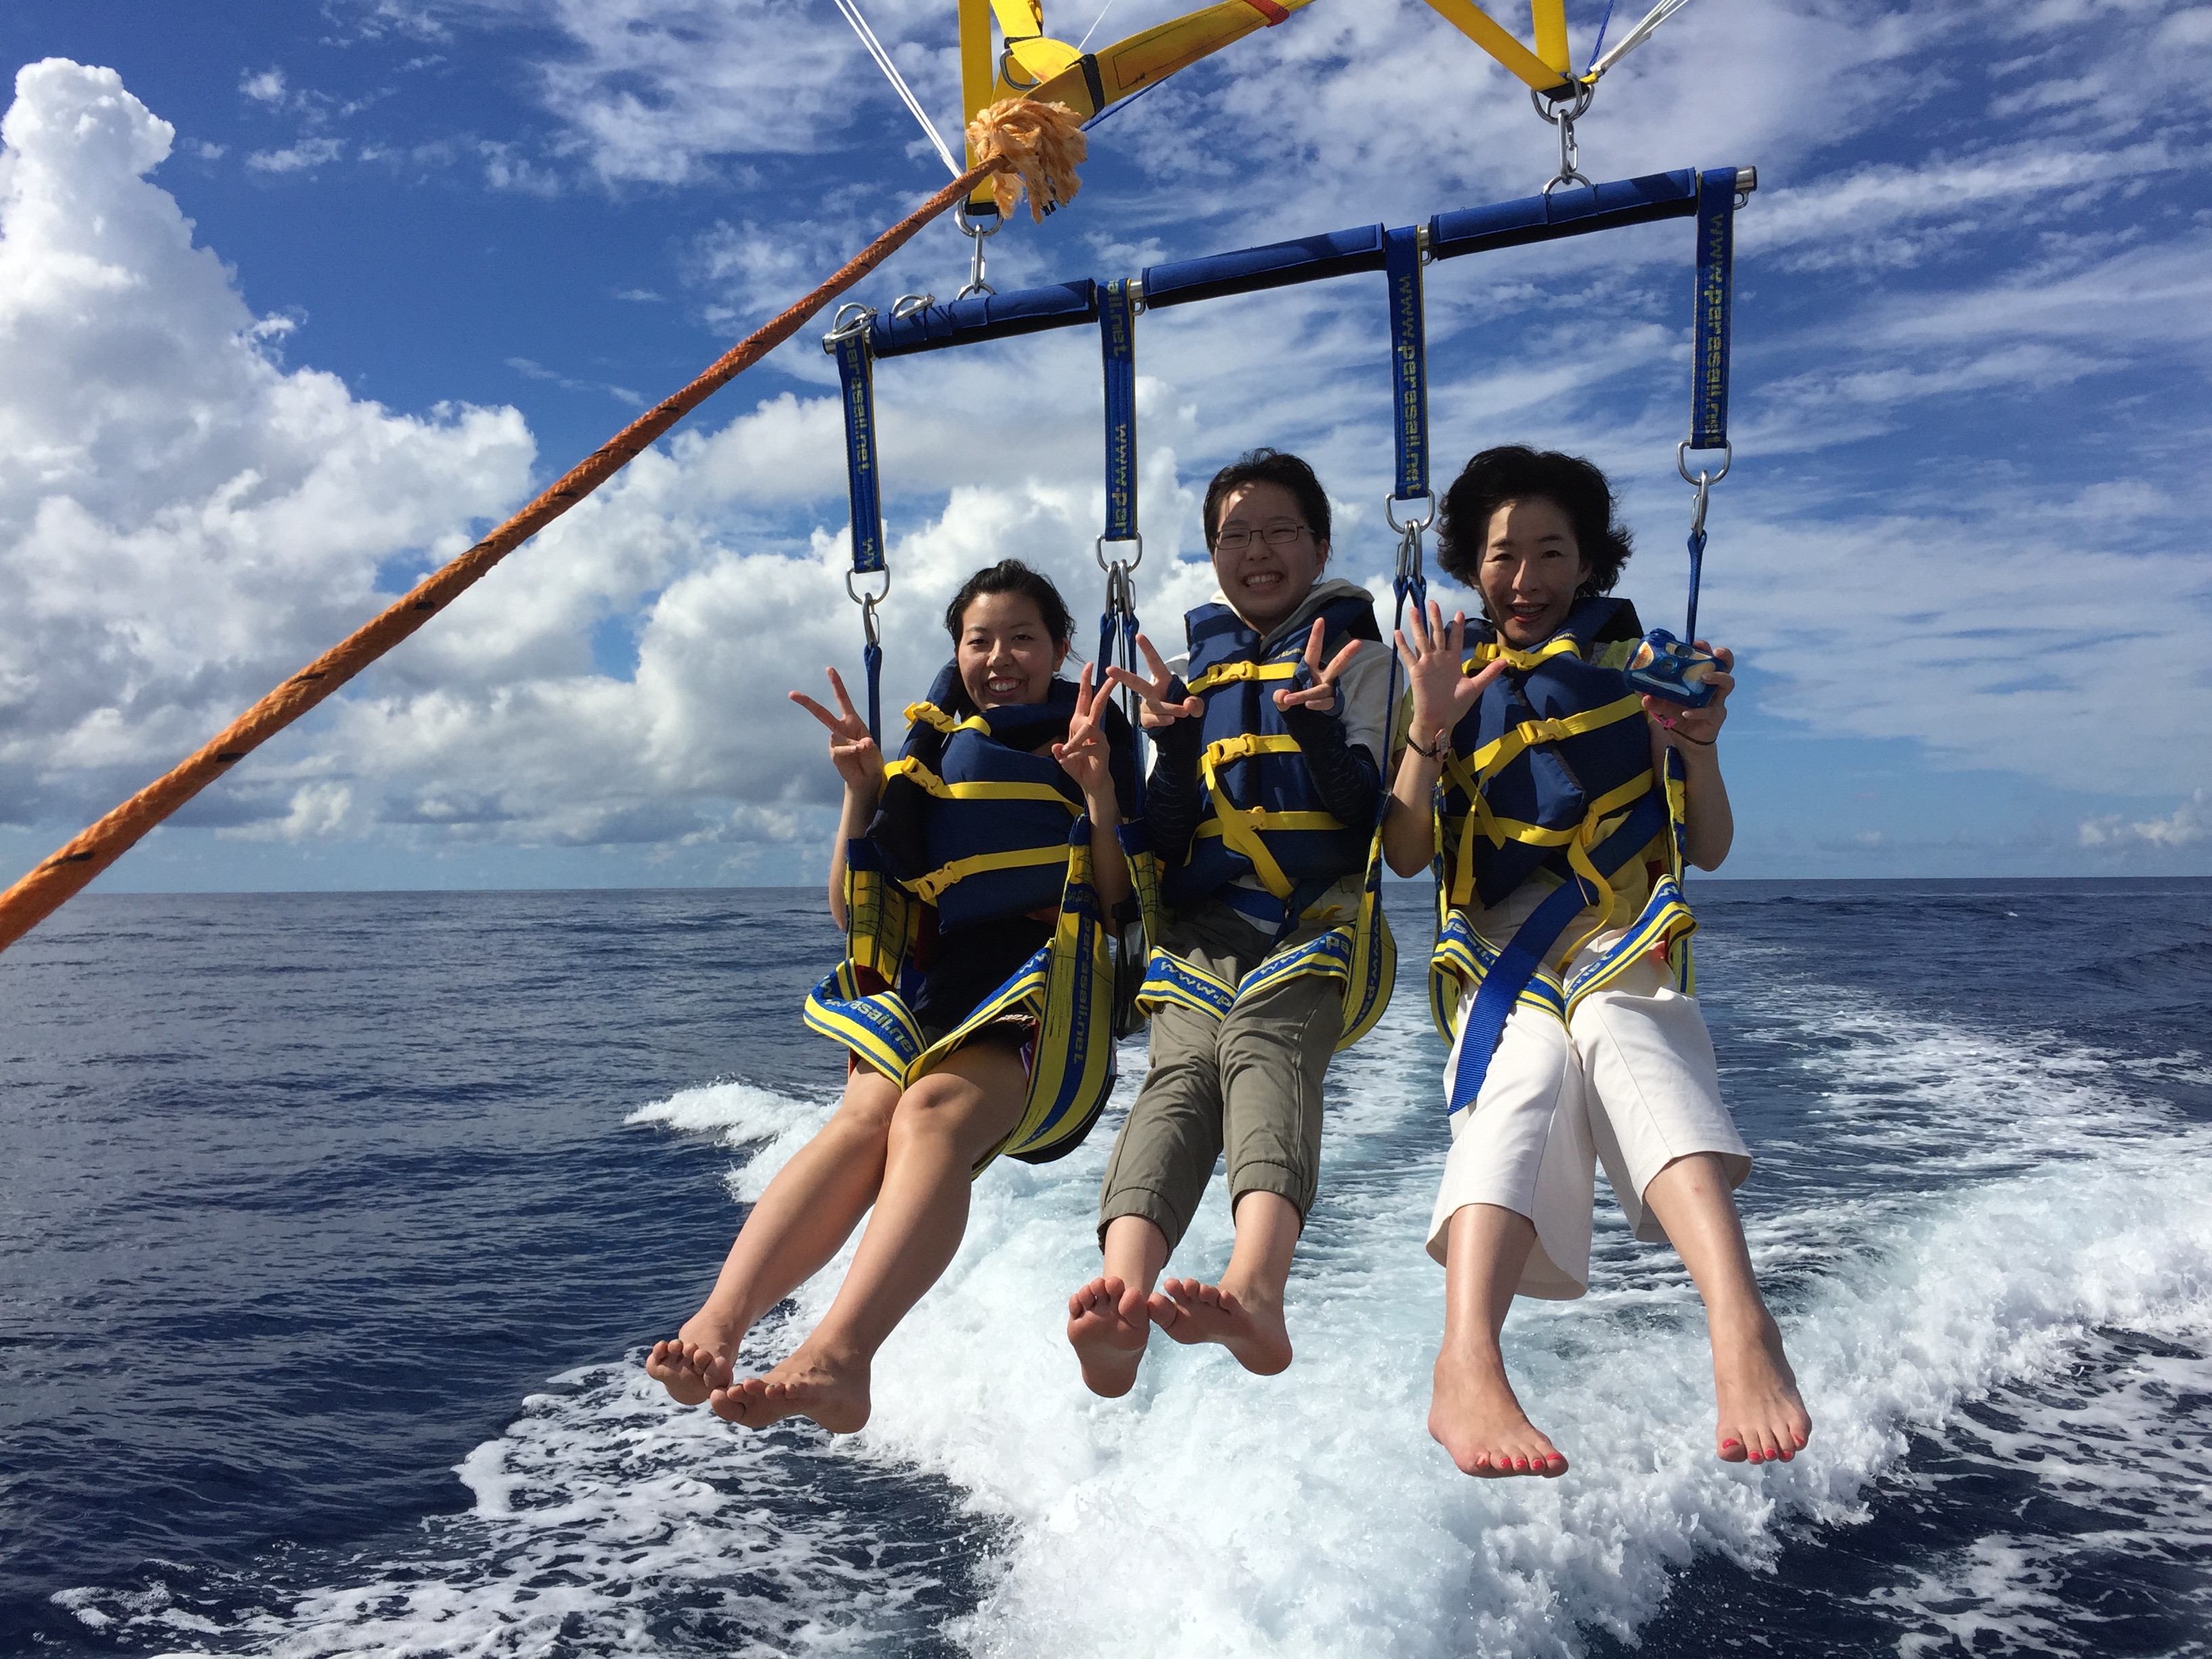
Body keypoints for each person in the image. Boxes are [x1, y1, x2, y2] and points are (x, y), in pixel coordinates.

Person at [1379, 445, 1811, 1477]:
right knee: (1523, 1074)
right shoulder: (1445, 677)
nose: (1525, 578)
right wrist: (1428, 728)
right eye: (1502, 555)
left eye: (1550, 552)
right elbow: (1405, 855)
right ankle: (1466, 1362)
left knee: (1627, 1032)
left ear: (1588, 561)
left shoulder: (1642, 669)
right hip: (1497, 951)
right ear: (1471, 565)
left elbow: (1708, 846)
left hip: (1619, 930)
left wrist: (1697, 743)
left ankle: (1740, 1322)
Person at [647, 560, 1132, 1433]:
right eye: (979, 640)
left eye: (1022, 638)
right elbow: (853, 909)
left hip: (1047, 989)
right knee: (862, 1117)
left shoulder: (1094, 736)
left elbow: (1121, 901)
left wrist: (1096, 789)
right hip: (934, 983)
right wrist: (861, 793)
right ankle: (719, 1324)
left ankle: (843, 1356)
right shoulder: (929, 755)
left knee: (930, 1113)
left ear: (1062, 648)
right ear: (957, 652)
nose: (999, 657)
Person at [1067, 448, 1397, 1394]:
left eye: (1280, 531)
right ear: (1214, 555)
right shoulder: (1187, 677)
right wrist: (1172, 755)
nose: (1257, 551)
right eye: (1235, 535)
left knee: (1262, 1044)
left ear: (1320, 546)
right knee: (1179, 1076)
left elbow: (1365, 820)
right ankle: (1123, 1302)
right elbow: (1169, 841)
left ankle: (1257, 1291)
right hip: (1204, 926)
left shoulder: (1364, 663)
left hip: (1322, 920)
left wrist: (1320, 730)